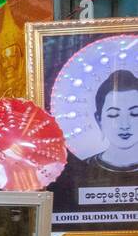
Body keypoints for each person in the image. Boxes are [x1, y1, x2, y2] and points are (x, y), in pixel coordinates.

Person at [53, 68, 138, 222]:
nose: (124, 125)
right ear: (98, 119)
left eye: (135, 114)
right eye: (113, 115)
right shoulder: (78, 171)